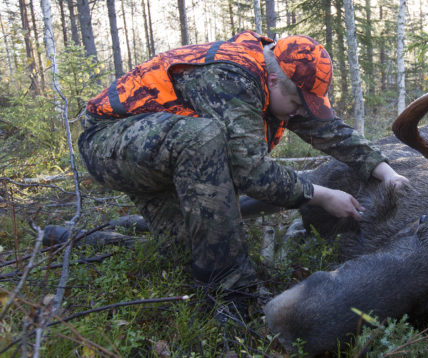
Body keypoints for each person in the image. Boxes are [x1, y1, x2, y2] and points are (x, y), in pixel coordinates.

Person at [78, 31, 409, 297]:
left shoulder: (275, 78)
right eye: (296, 102)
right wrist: (321, 195)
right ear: (276, 81)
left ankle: (88, 239)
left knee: (183, 255)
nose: (297, 112)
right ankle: (231, 290)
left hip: (159, 152)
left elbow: (328, 129)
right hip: (109, 144)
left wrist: (385, 171)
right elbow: (249, 171)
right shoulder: (234, 77)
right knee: (204, 139)